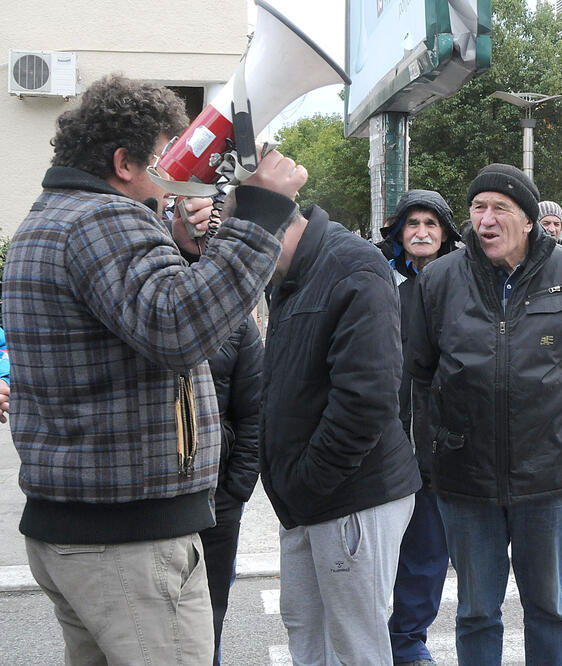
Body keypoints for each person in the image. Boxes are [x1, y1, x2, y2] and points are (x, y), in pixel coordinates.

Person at [3, 74, 305, 664]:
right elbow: (179, 330)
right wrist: (262, 214)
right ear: (123, 162)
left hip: (80, 529)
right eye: (163, 160)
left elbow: (149, 319)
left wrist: (193, 247)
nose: (173, 178)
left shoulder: (49, 218)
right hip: (128, 541)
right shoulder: (103, 221)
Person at [406, 163, 562, 666]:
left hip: (550, 478)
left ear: (527, 219)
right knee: (476, 611)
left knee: (548, 608)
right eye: (479, 207)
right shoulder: (439, 279)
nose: (487, 219)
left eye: (501, 207)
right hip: (465, 480)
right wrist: (433, 456)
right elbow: (421, 373)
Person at [259, 202, 422, 665]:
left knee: (356, 648)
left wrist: (308, 482)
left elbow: (366, 400)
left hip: (349, 497)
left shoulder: (352, 265)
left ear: (265, 231)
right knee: (307, 634)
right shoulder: (293, 274)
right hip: (309, 501)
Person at [168, 201, 264, 665]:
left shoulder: (239, 324)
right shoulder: (154, 303)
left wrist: (237, 489)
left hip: (218, 497)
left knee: (211, 611)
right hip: (162, 495)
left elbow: (253, 413)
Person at [380, 189, 461, 666]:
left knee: (428, 555)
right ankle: (369, 636)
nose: (422, 233)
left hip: (439, 446)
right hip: (383, 445)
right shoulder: (379, 281)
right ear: (399, 233)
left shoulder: (464, 284)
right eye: (413, 224)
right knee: (376, 556)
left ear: (446, 233)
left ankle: (408, 640)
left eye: (432, 224)